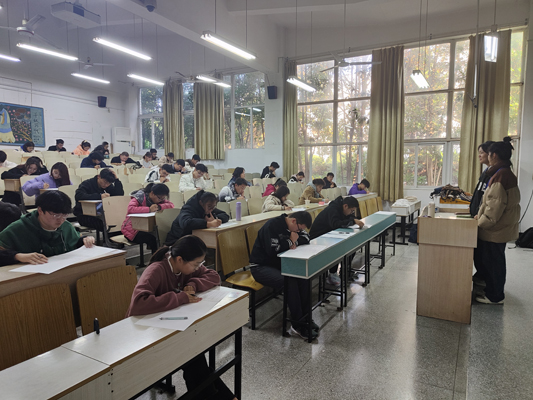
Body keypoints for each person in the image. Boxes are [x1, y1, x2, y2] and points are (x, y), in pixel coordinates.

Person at [126, 235, 237, 400]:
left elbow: (214, 276)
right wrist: (179, 298)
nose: (198, 268)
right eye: (196, 264)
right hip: (145, 334)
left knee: (195, 359)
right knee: (195, 360)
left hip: (171, 328)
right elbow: (138, 304)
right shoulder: (156, 270)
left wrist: (194, 284)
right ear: (179, 259)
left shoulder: (185, 265)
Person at [249, 211, 316, 339]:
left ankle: (306, 318)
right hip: (260, 267)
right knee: (289, 282)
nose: (299, 231)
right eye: (299, 229)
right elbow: (272, 250)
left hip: (279, 265)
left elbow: (307, 238)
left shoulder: (294, 226)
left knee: (303, 277)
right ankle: (297, 324)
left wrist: (293, 242)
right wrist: (290, 241)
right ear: (293, 221)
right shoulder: (272, 226)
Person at [473, 137, 520, 305]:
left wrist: (479, 223)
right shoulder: (504, 173)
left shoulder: (500, 176)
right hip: (499, 227)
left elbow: (494, 208)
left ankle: (495, 296)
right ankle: (492, 290)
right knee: (493, 261)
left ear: (494, 155)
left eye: (487, 153)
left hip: (495, 229)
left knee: (494, 263)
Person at [0, 191, 95, 265]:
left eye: (65, 215)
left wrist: (85, 240)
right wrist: (17, 256)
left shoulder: (66, 226)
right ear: (40, 210)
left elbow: (74, 242)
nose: (61, 220)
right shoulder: (18, 228)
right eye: (56, 215)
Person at [309, 196, 364, 286]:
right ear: (345, 206)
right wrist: (353, 221)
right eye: (351, 210)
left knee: (351, 246)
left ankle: (345, 271)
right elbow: (335, 224)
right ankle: (332, 274)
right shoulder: (333, 209)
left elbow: (349, 217)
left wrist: (353, 219)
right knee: (338, 249)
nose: (352, 213)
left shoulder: (342, 208)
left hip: (329, 235)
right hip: (318, 238)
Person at [121, 183, 174, 254]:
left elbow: (171, 205)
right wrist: (149, 209)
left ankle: (161, 257)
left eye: (163, 198)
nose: (161, 200)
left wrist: (159, 207)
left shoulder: (159, 199)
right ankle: (156, 259)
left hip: (147, 228)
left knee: (163, 235)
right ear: (152, 193)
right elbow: (131, 209)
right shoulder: (139, 198)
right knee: (153, 239)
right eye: (159, 198)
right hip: (133, 230)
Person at [165, 191, 229, 245]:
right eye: (209, 206)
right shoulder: (188, 209)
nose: (211, 209)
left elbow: (225, 215)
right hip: (177, 242)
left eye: (213, 207)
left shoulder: (209, 209)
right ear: (201, 203)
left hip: (194, 240)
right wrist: (208, 223)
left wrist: (215, 219)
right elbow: (186, 223)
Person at [470, 141, 495, 217]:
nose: (479, 156)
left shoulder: (495, 174)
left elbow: (491, 200)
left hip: (484, 216)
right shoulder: (486, 172)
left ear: (490, 154)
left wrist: (482, 214)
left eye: (482, 153)